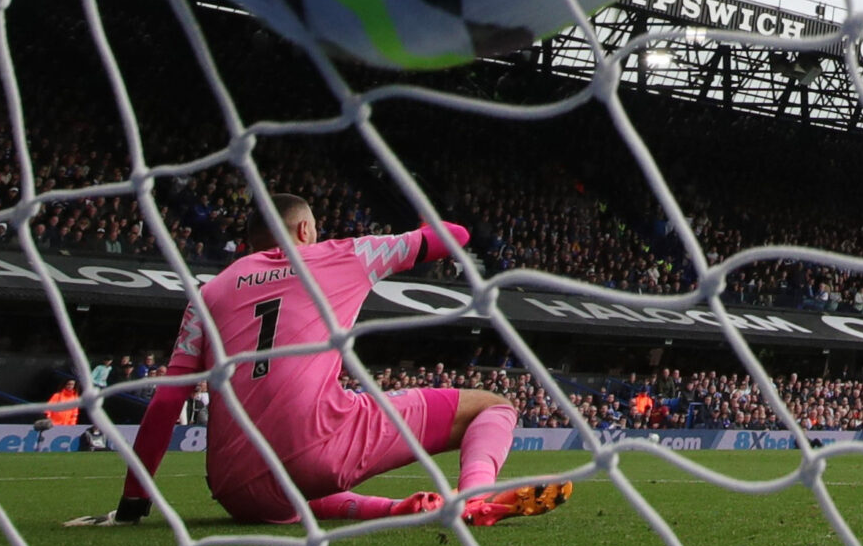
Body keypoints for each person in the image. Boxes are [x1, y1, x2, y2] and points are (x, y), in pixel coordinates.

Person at [66, 195, 566, 529]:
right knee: (493, 406)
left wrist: (133, 507)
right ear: (305, 229)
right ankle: (474, 496)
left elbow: (168, 401)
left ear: (249, 241)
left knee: (293, 490)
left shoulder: (209, 293)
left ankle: (400, 508)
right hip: (321, 448)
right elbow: (453, 235)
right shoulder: (343, 253)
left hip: (238, 489)